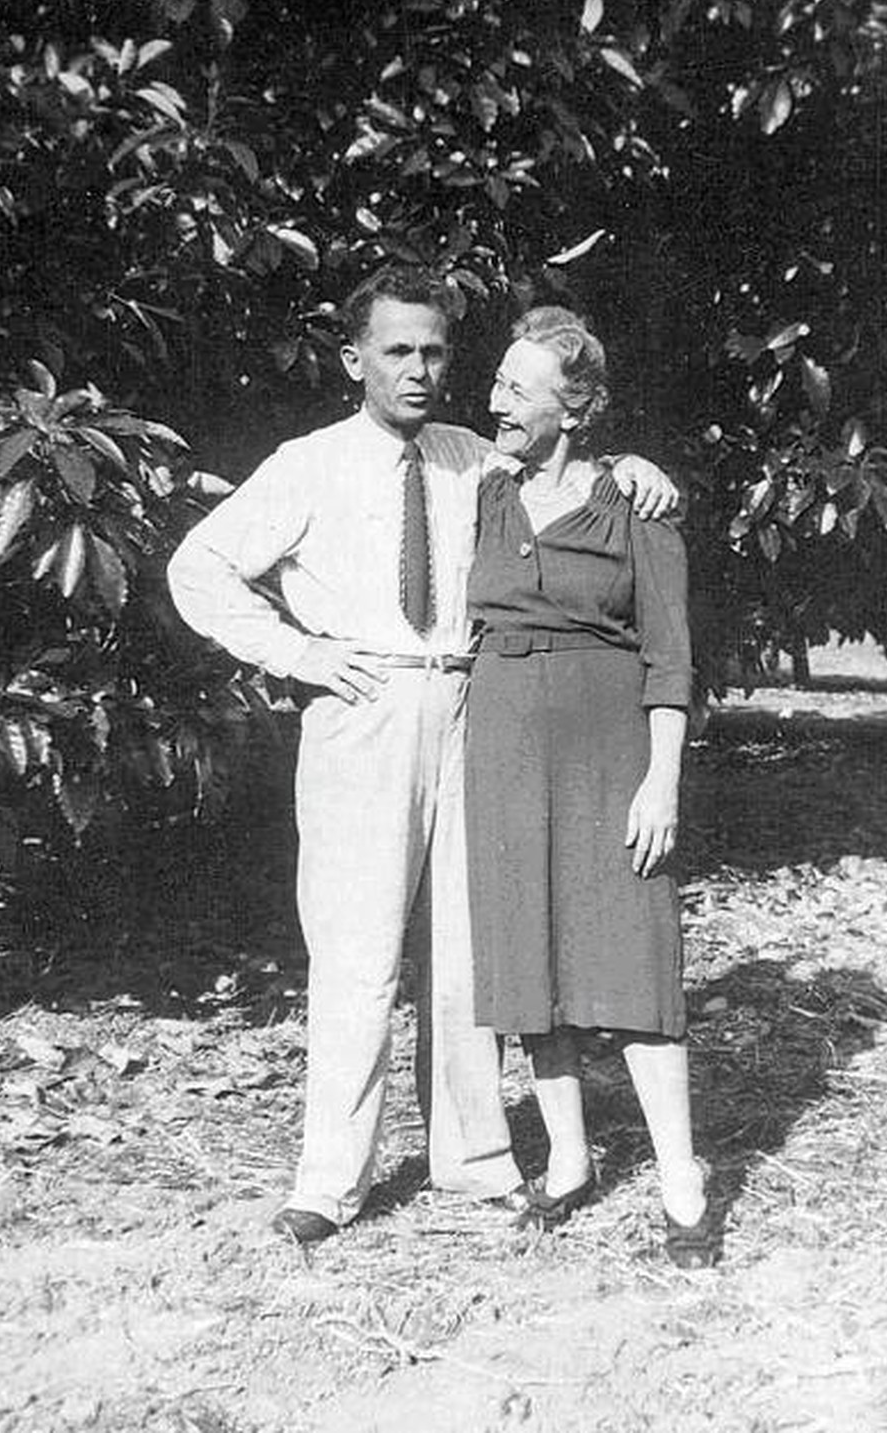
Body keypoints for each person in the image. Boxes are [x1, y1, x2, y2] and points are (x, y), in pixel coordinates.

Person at [167, 266, 678, 1246]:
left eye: (436, 350)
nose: (419, 368)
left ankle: (476, 1157)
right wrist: (299, 653)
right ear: (353, 357)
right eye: (397, 350)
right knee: (358, 953)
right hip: (364, 710)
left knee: (470, 952)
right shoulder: (307, 463)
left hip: (476, 706)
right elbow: (200, 566)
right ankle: (331, 1178)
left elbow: (571, 470)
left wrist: (641, 469)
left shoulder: (476, 458)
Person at [465, 305, 719, 1267]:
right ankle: (569, 1162)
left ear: (575, 411)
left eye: (518, 390)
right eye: (496, 382)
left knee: (635, 965)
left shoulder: (635, 507)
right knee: (527, 962)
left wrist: (663, 783)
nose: (496, 400)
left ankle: (684, 1186)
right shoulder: (486, 494)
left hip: (611, 756)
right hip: (500, 751)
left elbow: (669, 659)